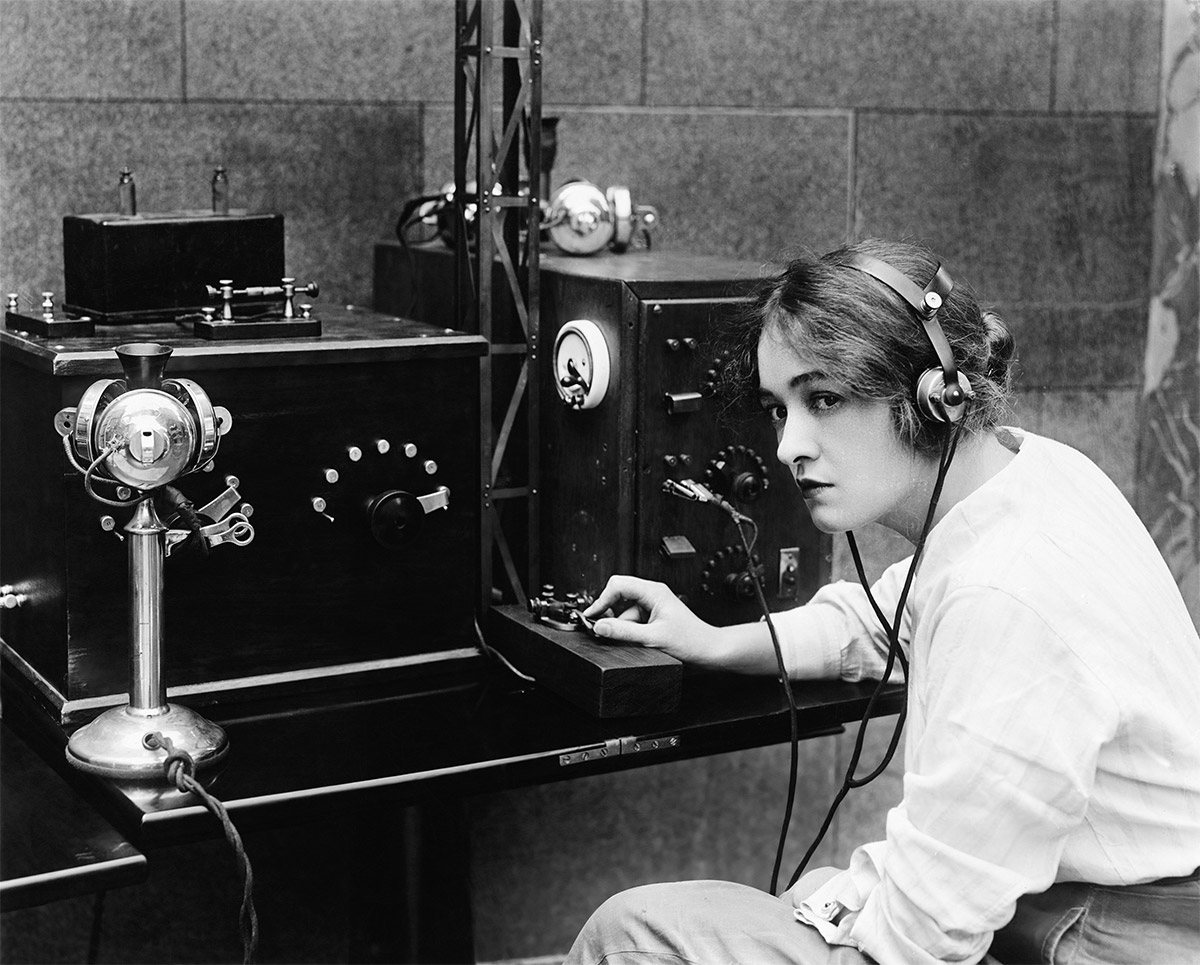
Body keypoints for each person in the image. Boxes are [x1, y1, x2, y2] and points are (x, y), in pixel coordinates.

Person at [564, 239, 1200, 965]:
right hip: (1064, 898)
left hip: (1109, 937)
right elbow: (875, 619)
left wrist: (836, 904)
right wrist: (714, 638)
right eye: (780, 408)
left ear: (933, 396)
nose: (788, 447)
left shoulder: (1005, 594)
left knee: (634, 932)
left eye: (825, 399)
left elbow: (918, 941)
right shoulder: (1033, 476)